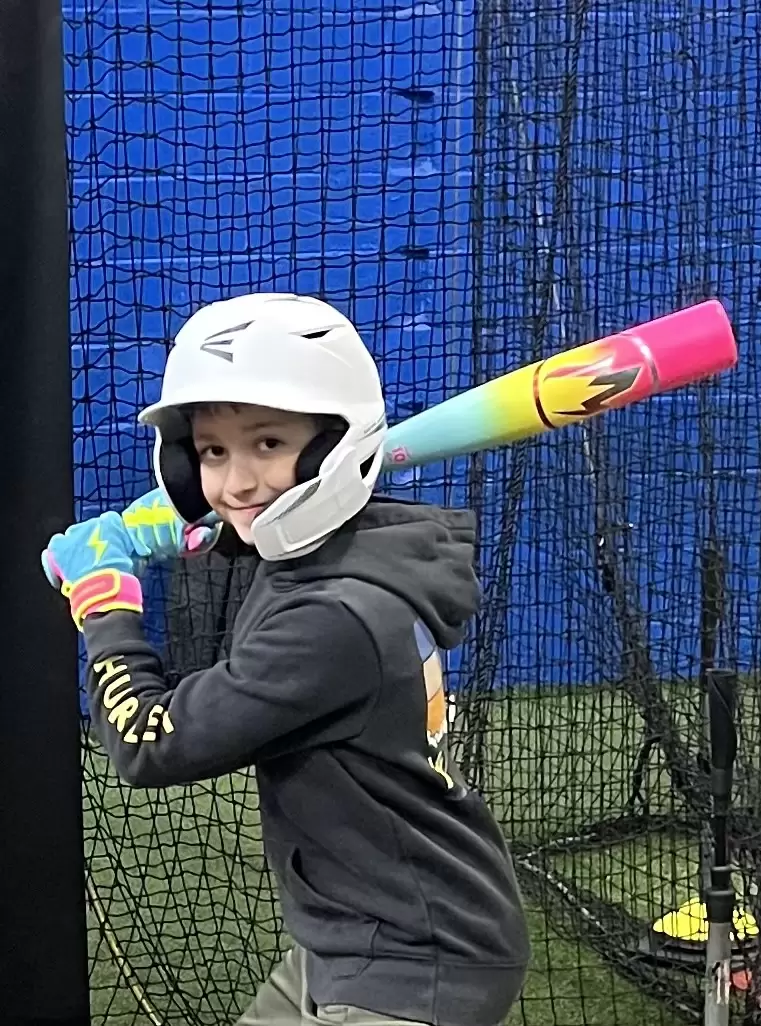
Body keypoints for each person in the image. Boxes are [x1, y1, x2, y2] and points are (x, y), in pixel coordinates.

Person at [42, 293, 530, 1026]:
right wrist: (191, 523)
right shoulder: (360, 547)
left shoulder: (335, 621)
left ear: (338, 449)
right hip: (355, 931)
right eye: (212, 452)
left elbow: (150, 743)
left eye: (267, 444)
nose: (237, 481)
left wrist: (104, 601)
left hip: (414, 958)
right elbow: (278, 526)